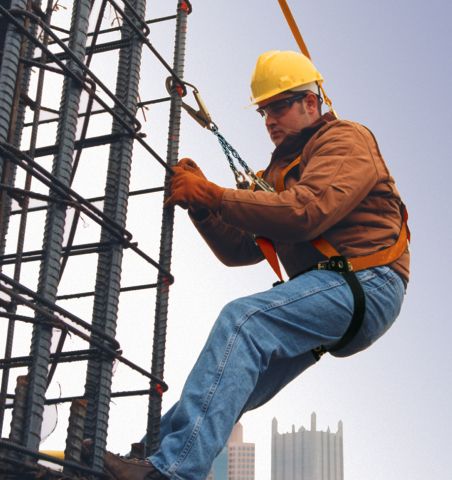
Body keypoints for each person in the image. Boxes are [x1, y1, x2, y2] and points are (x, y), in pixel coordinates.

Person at [102, 50, 409, 479]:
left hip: (367, 281)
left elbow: (306, 212)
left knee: (243, 321)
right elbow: (242, 250)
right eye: (264, 111)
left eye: (279, 105)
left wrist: (213, 194)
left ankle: (170, 472)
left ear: (311, 102)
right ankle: (150, 456)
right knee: (234, 376)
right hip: (334, 287)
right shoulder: (280, 170)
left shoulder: (344, 140)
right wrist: (202, 208)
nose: (270, 119)